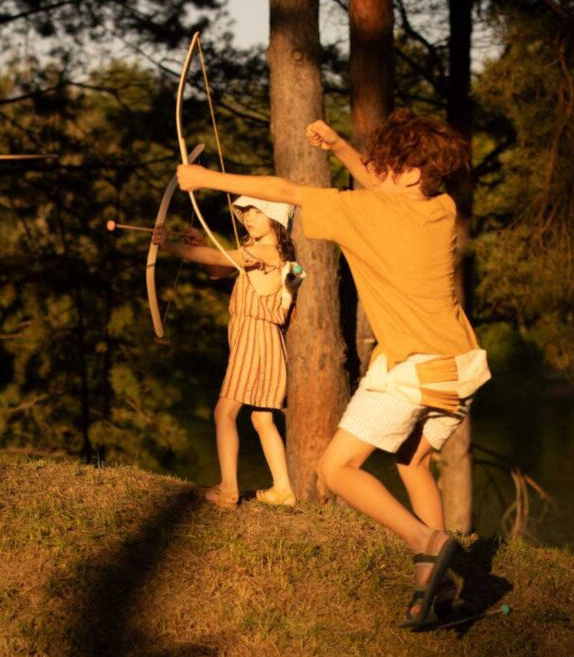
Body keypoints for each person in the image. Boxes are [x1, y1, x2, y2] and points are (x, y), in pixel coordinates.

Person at [173, 108, 491, 630]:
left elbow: (284, 188)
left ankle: (428, 543)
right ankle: (436, 591)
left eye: (384, 163)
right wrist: (340, 147)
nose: (372, 168)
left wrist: (204, 179)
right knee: (412, 464)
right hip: (462, 365)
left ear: (409, 173)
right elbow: (384, 189)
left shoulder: (361, 211)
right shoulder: (439, 208)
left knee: (335, 470)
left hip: (413, 366)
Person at [152, 196, 304, 509]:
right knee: (262, 419)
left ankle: (229, 489)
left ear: (275, 219)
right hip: (263, 339)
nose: (248, 217)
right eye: (246, 211)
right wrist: (201, 245)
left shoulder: (265, 250)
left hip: (255, 337)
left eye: (257, 212)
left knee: (224, 412)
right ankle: (283, 489)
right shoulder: (260, 250)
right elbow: (217, 269)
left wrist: (172, 246)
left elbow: (223, 258)